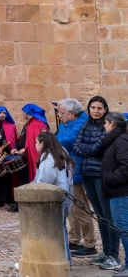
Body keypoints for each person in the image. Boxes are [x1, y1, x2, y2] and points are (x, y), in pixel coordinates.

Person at [74, 96, 120, 270]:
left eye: (99, 108)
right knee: (99, 216)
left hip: (101, 175)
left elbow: (97, 148)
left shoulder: (107, 126)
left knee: (109, 217)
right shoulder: (85, 125)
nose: (96, 111)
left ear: (105, 109)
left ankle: (114, 255)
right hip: (87, 173)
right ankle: (106, 252)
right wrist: (89, 149)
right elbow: (77, 146)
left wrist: (88, 149)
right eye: (93, 107)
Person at [56, 98, 96, 257]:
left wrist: (52, 139)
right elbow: (59, 137)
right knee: (70, 209)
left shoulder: (81, 124)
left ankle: (89, 243)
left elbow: (64, 141)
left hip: (77, 170)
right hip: (68, 170)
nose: (60, 115)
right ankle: (74, 239)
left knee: (81, 208)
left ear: (72, 113)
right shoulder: (66, 124)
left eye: (62, 112)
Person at [33, 131, 75, 265]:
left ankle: (61, 261)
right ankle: (66, 259)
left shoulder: (48, 157)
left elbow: (45, 181)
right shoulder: (62, 151)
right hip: (65, 197)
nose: (35, 145)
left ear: (42, 143)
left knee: (57, 231)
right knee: (62, 229)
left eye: (36, 142)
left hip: (55, 199)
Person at [101, 113, 128, 277]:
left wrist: (109, 178)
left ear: (112, 124)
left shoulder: (121, 140)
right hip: (116, 191)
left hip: (121, 191)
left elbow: (126, 167)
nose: (104, 126)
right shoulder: (116, 140)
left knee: (124, 228)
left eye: (105, 123)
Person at [11, 104, 51, 186]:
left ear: (27, 112)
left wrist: (25, 149)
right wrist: (16, 147)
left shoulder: (36, 124)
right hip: (26, 156)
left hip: (33, 155)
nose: (22, 114)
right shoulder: (29, 124)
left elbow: (37, 141)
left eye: (23, 112)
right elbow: (23, 138)